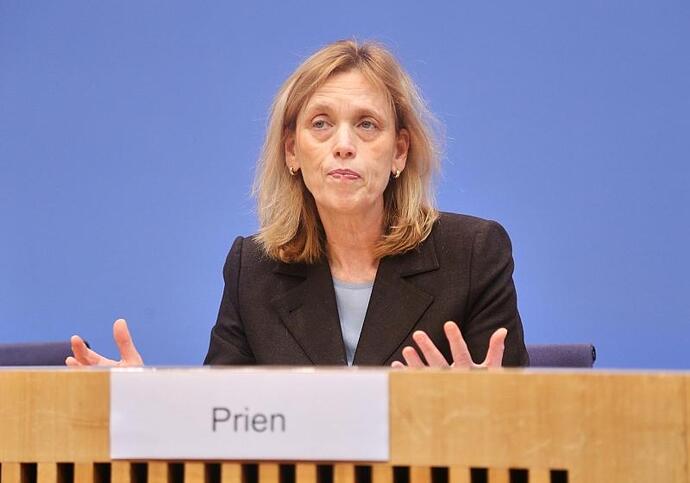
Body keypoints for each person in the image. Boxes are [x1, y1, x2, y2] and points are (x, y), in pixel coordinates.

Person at [66, 39, 529, 369]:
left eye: (367, 125)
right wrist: (143, 401)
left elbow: (522, 424)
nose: (343, 145)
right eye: (321, 124)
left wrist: (479, 407)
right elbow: (219, 421)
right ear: (292, 152)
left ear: (399, 152)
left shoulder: (473, 254)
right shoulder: (254, 270)